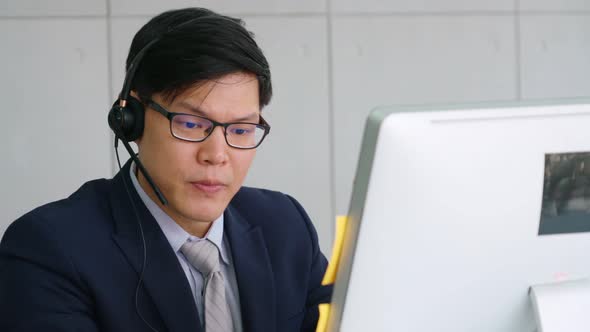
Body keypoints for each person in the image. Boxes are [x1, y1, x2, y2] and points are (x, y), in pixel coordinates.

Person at [0, 7, 332, 332]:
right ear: (131, 119)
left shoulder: (286, 228)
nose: (217, 155)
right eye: (190, 124)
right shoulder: (48, 250)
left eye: (241, 130)